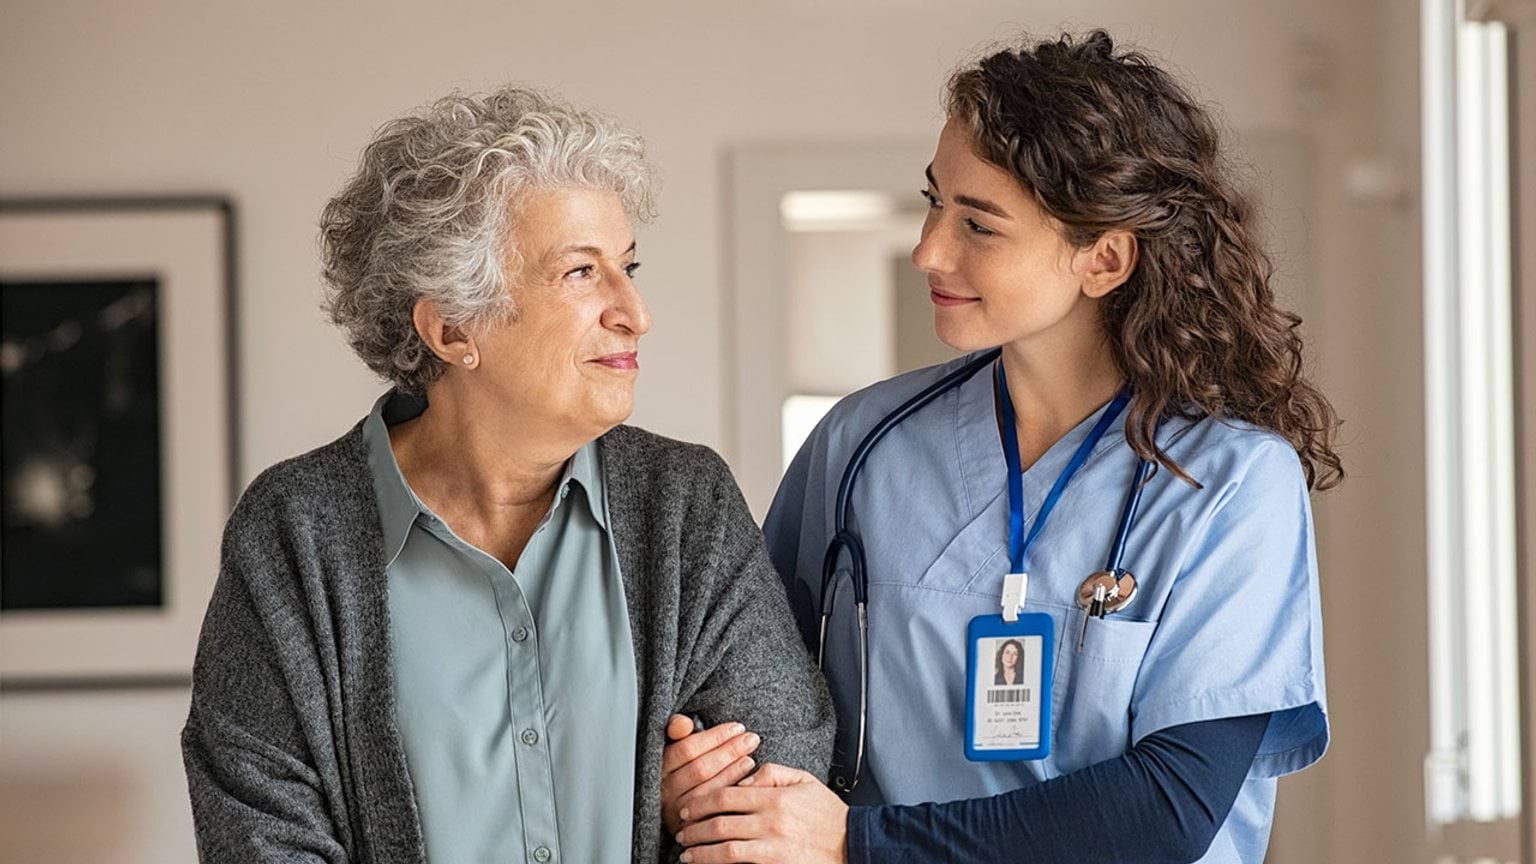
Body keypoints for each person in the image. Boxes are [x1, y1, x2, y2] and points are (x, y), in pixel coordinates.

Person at [662, 30, 1338, 864]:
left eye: (979, 225)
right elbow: (751, 698)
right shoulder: (860, 446)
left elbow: (1171, 806)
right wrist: (707, 774)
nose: (928, 250)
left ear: (1105, 258)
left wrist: (862, 845)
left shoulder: (1228, 483)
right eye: (934, 202)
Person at [179, 86, 833, 864]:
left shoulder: (685, 504)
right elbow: (260, 835)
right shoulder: (292, 532)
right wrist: (663, 809)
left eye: (626, 266)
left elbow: (777, 798)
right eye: (582, 273)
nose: (635, 311)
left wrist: (687, 817)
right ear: (453, 327)